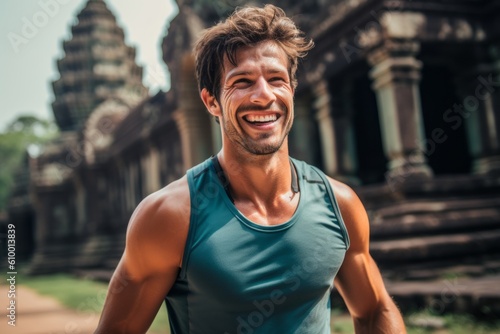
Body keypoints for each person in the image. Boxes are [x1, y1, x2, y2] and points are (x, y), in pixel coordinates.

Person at [95, 4, 406, 334]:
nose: (263, 95)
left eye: (276, 79)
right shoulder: (169, 217)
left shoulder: (339, 205)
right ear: (211, 101)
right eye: (242, 82)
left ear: (292, 88)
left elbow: (374, 310)